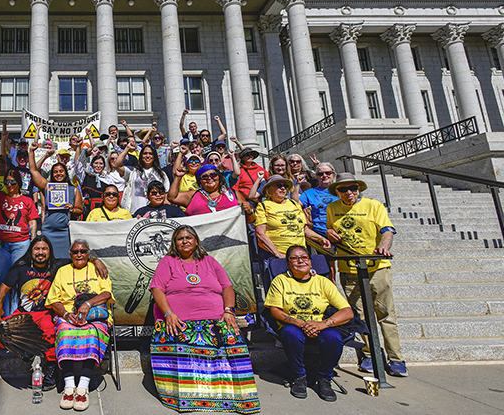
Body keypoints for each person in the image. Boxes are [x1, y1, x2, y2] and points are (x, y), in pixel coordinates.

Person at [149, 226, 260, 413]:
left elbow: (227, 287)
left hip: (216, 317)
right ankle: (190, 396)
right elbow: (156, 288)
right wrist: (168, 314)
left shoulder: (209, 261)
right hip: (180, 320)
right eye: (180, 238)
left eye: (189, 237)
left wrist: (229, 310)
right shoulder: (168, 261)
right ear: (174, 243)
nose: (184, 241)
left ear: (196, 241)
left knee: (230, 334)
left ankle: (231, 395)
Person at [325, 173, 406, 377]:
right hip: (349, 268)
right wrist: (329, 234)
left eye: (352, 188)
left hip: (376, 266)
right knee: (360, 316)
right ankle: (370, 354)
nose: (348, 193)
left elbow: (387, 230)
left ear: (359, 189)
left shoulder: (374, 205)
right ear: (337, 192)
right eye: (343, 189)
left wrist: (383, 247)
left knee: (385, 312)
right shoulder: (332, 209)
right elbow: (331, 231)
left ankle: (396, 358)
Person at [264, 245, 353, 401]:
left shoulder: (323, 282)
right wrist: (301, 324)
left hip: (321, 325)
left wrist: (322, 324)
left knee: (333, 337)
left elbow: (347, 312)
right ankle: (299, 376)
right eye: (295, 258)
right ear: (288, 262)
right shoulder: (281, 281)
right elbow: (275, 311)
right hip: (293, 325)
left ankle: (325, 378)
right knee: (290, 333)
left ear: (311, 262)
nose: (300, 261)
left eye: (304, 257)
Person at [46, 240, 113, 411]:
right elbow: (54, 299)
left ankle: (83, 386)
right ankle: (69, 386)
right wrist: (67, 315)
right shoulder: (62, 271)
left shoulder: (97, 268)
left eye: (83, 251)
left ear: (89, 253)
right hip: (69, 315)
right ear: (70, 254)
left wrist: (89, 304)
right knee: (65, 331)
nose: (79, 255)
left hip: (95, 315)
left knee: (91, 333)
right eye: (75, 252)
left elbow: (106, 293)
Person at [0, 236, 59, 391]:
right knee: (2, 331)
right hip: (25, 313)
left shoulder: (57, 266)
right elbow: (2, 291)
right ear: (31, 250)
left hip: (46, 313)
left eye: (44, 249)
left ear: (50, 251)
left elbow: (81, 256)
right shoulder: (20, 268)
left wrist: (97, 261)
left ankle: (50, 369)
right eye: (37, 249)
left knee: (50, 332)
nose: (40, 252)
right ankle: (26, 350)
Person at [0, 155, 39, 289]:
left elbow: (32, 222)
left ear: (19, 183)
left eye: (13, 182)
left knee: (18, 279)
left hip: (21, 244)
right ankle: (1, 309)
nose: (9, 185)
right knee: (1, 278)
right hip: (1, 245)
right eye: (7, 182)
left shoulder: (27, 200)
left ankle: (15, 309)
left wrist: (33, 241)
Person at [28, 140, 83, 261]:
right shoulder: (47, 186)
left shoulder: (74, 190)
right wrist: (31, 152)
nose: (59, 174)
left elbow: (80, 210)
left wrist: (72, 208)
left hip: (65, 231)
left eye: (61, 171)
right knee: (48, 262)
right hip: (48, 230)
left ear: (66, 173)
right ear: (52, 174)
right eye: (56, 172)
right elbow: (33, 171)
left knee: (64, 261)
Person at [254, 176, 330, 261]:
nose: (283, 188)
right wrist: (277, 254)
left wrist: (320, 238)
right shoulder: (263, 206)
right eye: (279, 185)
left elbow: (304, 229)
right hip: (275, 256)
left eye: (285, 186)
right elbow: (260, 233)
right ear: (270, 190)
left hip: (299, 255)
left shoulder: (294, 204)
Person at [112, 138, 170, 214]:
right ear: (141, 156)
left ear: (154, 156)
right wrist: (127, 149)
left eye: (150, 153)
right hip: (136, 211)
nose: (148, 156)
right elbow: (116, 165)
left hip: (156, 212)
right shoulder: (133, 172)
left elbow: (165, 193)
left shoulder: (161, 174)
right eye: (145, 153)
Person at [168, 163, 239, 216]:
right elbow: (172, 197)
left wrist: (249, 212)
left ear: (219, 177)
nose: (209, 178)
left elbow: (247, 215)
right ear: (200, 181)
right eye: (204, 177)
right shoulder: (193, 195)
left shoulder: (232, 194)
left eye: (213, 175)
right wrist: (178, 177)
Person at [299, 162, 337, 238]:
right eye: (320, 174)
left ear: (333, 175)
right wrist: (297, 184)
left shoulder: (342, 190)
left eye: (328, 173)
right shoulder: (310, 193)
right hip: (321, 234)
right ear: (317, 176)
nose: (324, 176)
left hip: (341, 231)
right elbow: (295, 205)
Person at [235, 148, 267, 216]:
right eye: (247, 155)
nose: (250, 156)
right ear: (243, 158)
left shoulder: (259, 168)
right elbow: (236, 188)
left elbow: (270, 179)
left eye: (251, 154)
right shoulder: (240, 171)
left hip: (259, 200)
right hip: (247, 202)